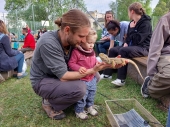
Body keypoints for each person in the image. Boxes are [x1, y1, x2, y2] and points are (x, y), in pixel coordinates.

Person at [30, 9, 122, 120]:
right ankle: (49, 101)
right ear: (67, 30)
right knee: (81, 89)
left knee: (95, 77)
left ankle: (72, 98)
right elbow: (64, 76)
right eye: (81, 36)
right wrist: (92, 70)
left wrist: (110, 64)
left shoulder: (72, 40)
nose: (84, 41)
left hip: (59, 76)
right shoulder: (48, 42)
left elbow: (88, 59)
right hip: (44, 80)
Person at [101, 2, 152, 87]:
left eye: (128, 12)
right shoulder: (132, 22)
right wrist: (126, 43)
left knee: (123, 50)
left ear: (132, 12)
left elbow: (138, 40)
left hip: (144, 48)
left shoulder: (145, 23)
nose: (128, 14)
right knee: (113, 50)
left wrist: (132, 29)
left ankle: (121, 79)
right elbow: (127, 37)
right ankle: (107, 74)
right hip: (133, 46)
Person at [68, 28, 99, 120]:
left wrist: (97, 63)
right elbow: (71, 63)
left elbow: (94, 60)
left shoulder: (92, 52)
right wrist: (79, 68)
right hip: (82, 80)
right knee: (82, 96)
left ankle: (89, 107)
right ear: (82, 41)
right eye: (89, 42)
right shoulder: (76, 52)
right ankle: (79, 110)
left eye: (93, 43)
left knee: (92, 94)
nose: (91, 45)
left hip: (91, 78)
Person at [141, 12, 170, 99]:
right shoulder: (165, 20)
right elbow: (155, 48)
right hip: (167, 54)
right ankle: (150, 85)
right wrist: (152, 74)